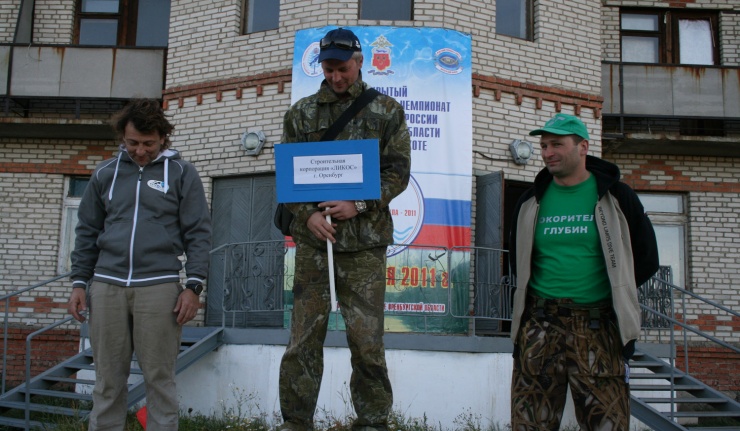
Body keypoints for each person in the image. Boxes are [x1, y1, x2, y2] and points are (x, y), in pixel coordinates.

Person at [277, 28, 411, 431]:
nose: (336, 77)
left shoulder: (386, 110)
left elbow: (398, 172)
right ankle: (296, 422)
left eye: (343, 69)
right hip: (314, 244)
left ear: (360, 61)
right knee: (302, 340)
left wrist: (360, 204)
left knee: (367, 341)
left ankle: (372, 422)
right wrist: (307, 216)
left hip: (365, 246)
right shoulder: (301, 113)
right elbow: (288, 178)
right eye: (329, 69)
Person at [67, 99, 212, 431]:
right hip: (106, 286)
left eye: (148, 143)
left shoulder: (182, 173)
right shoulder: (105, 173)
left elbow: (198, 232)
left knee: (159, 379)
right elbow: (87, 230)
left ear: (163, 138)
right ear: (123, 136)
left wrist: (194, 286)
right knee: (107, 380)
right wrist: (78, 283)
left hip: (159, 287)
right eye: (133, 143)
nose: (140, 151)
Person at [509, 113, 659, 430]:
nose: (548, 152)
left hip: (598, 328)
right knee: (529, 424)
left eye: (557, 144)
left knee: (607, 424)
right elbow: (517, 261)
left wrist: (615, 291)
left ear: (583, 147)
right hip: (539, 326)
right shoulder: (530, 201)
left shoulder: (616, 197)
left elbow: (646, 258)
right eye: (544, 145)